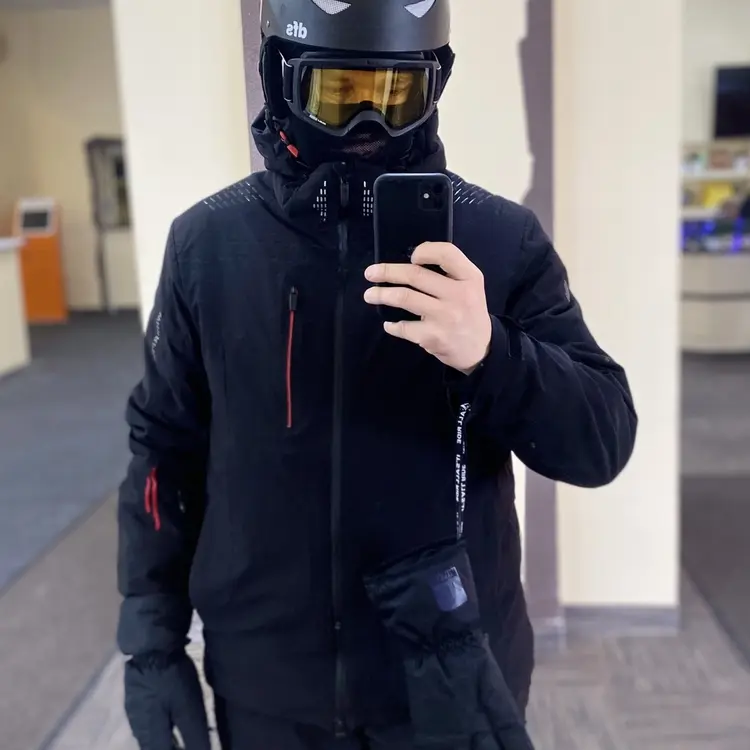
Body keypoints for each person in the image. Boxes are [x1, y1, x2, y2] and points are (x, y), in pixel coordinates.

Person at [117, 1, 638, 748]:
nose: (368, 125)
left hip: (448, 680)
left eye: (396, 95)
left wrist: (492, 352)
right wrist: (151, 640)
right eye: (337, 93)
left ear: (435, 83)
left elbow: (602, 440)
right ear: (280, 77)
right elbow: (163, 450)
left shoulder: (496, 240)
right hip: (269, 686)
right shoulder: (208, 245)